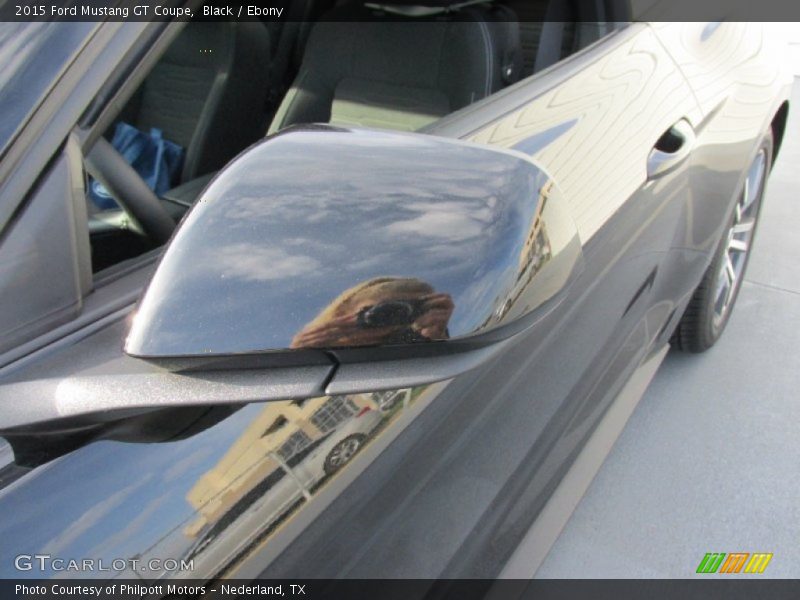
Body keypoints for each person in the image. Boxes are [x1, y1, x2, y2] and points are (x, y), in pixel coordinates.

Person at [291, 277, 454, 349]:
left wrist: (436, 338)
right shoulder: (326, 354)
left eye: (403, 312)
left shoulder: (415, 339)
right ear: (338, 319)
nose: (391, 319)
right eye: (381, 312)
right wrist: (304, 355)